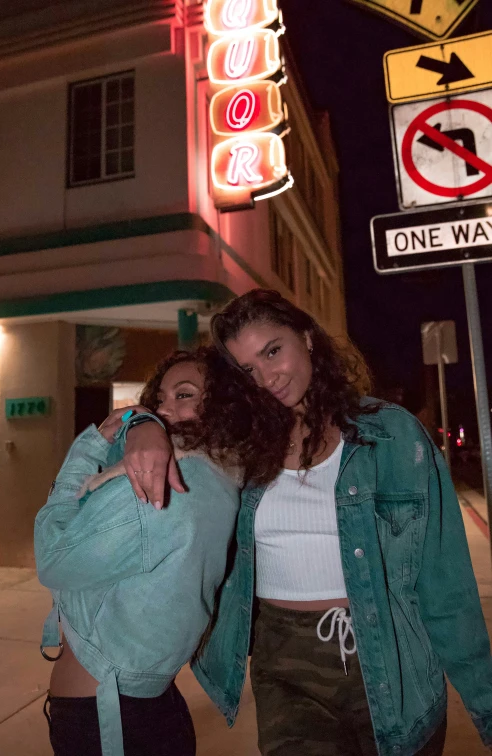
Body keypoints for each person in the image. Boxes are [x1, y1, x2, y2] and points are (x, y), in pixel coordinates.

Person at [122, 289, 492, 756]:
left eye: (272, 350)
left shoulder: (391, 435)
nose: (267, 378)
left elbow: (446, 584)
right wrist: (144, 423)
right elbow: (159, 417)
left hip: (392, 665)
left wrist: (485, 705)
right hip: (286, 668)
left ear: (307, 338)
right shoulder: (236, 446)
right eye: (248, 370)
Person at [34, 345, 293, 756]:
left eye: (184, 394)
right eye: (159, 399)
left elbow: (52, 557)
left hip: (108, 720)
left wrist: (86, 450)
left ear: (222, 406)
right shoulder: (216, 476)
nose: (165, 409)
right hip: (142, 705)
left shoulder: (163, 483)